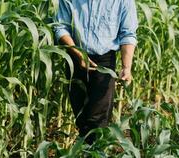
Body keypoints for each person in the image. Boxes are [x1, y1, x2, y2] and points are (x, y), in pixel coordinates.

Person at [53, 0, 138, 144]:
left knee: (97, 121)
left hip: (104, 63)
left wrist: (126, 67)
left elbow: (128, 34)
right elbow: (61, 28)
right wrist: (78, 54)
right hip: (75, 57)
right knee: (82, 119)